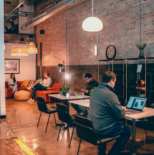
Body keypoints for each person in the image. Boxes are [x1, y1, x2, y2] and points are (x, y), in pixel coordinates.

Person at [88, 71, 131, 155]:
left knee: (103, 122)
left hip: (93, 126)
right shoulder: (110, 94)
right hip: (104, 129)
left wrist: (117, 108)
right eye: (115, 81)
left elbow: (103, 108)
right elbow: (120, 115)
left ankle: (101, 152)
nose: (115, 83)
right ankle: (113, 153)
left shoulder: (94, 91)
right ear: (111, 81)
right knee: (127, 131)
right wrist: (122, 109)